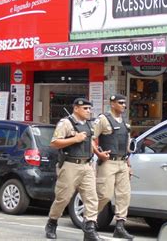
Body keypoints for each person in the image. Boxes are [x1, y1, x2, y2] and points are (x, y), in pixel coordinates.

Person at [45, 98, 102, 241]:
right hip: (70, 165)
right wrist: (74, 139)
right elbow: (54, 143)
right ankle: (52, 222)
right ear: (76, 108)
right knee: (63, 198)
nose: (88, 111)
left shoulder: (89, 124)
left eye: (89, 109)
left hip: (87, 165)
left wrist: (98, 152)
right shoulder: (66, 123)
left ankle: (89, 229)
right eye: (85, 109)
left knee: (92, 198)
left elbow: (91, 142)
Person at [92, 94, 134, 239]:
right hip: (108, 162)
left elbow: (126, 145)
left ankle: (120, 226)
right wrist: (99, 154)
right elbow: (89, 138)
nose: (123, 105)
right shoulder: (103, 119)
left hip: (122, 162)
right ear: (112, 103)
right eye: (120, 103)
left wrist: (128, 164)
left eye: (124, 103)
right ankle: (89, 221)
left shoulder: (125, 122)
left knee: (124, 196)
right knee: (104, 195)